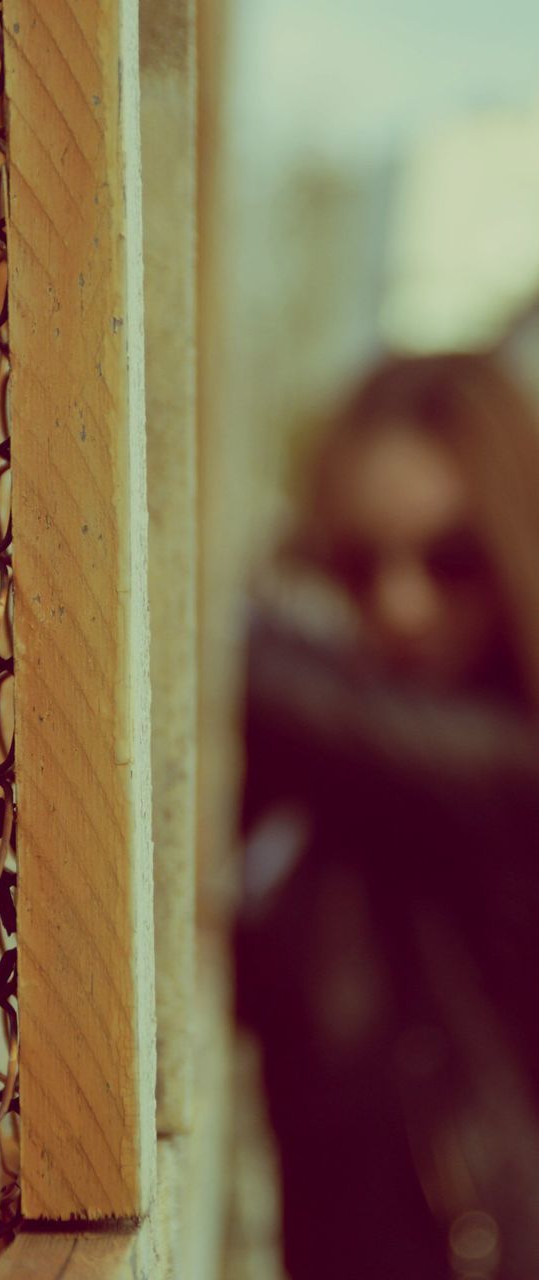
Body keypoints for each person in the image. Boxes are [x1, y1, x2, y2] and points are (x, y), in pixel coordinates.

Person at [235, 353, 539, 1280]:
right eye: (360, 563)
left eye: (451, 562)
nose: (399, 605)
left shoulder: (502, 772)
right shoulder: (348, 779)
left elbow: (247, 668)